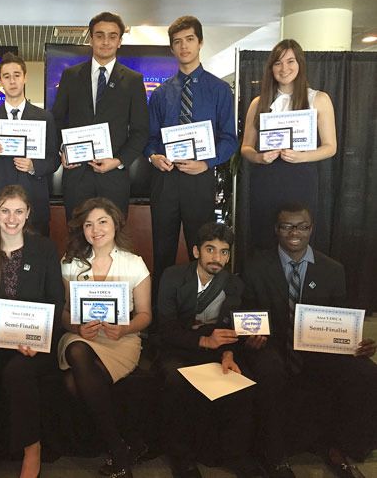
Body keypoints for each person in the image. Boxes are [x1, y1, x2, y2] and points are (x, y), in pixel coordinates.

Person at [241, 202, 377, 478]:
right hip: (273, 345)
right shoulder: (256, 265)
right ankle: (273, 454)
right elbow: (247, 309)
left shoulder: (333, 269)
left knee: (363, 371)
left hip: (317, 348)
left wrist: (356, 342)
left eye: (302, 226)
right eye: (287, 226)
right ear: (276, 230)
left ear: (311, 229)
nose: (295, 233)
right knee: (269, 369)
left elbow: (340, 318)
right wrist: (250, 335)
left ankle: (341, 446)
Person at [0, 185, 65, 478]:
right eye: (5, 211)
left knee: (17, 373)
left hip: (35, 342)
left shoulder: (44, 249)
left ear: (28, 214)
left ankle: (31, 449)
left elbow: (56, 302)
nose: (12, 218)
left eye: (18, 211)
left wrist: (39, 339)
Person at [152, 222, 259, 478]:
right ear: (196, 251)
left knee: (241, 383)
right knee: (177, 382)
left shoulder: (233, 284)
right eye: (210, 250)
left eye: (223, 252)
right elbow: (165, 328)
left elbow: (231, 327)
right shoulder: (173, 276)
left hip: (218, 347)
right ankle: (182, 458)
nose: (217, 257)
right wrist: (203, 341)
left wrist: (228, 354)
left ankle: (234, 454)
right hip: (177, 346)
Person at [144, 15, 237, 302]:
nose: (183, 46)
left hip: (200, 181)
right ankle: (162, 320)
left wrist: (207, 163)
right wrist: (153, 157)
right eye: (177, 42)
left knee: (204, 250)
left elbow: (230, 139)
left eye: (189, 40)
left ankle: (204, 310)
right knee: (163, 252)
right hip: (165, 182)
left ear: (200, 43)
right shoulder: (160, 95)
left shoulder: (220, 90)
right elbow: (149, 140)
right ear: (171, 49)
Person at [57, 197, 152, 478]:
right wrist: (76, 329)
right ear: (82, 230)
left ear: (115, 224)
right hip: (81, 337)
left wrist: (124, 329)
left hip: (121, 340)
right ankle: (120, 449)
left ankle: (126, 443)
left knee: (76, 383)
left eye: (102, 222)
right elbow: (65, 312)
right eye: (88, 224)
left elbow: (146, 315)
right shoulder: (70, 263)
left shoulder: (134, 264)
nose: (95, 229)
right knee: (76, 351)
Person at [52, 11, 149, 220]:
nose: (106, 41)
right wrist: (62, 150)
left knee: (113, 239)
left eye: (112, 36)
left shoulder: (133, 81)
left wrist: (118, 161)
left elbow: (141, 131)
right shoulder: (71, 76)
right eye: (100, 35)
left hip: (114, 178)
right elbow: (57, 120)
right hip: (77, 174)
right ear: (90, 39)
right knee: (77, 238)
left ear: (120, 41)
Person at [240, 39, 337, 250]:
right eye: (278, 63)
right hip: (266, 180)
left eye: (290, 61)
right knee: (264, 236)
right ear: (271, 67)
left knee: (298, 239)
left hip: (301, 179)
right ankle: (265, 283)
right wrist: (258, 157)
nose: (284, 68)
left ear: (300, 64)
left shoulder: (319, 99)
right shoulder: (259, 102)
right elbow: (246, 147)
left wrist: (301, 156)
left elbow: (330, 147)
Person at [0, 52, 59, 236]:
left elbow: (54, 160)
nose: (12, 81)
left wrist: (33, 166)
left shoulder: (45, 117)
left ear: (25, 77)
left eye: (16, 75)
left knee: (36, 259)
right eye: (6, 77)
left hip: (34, 204)